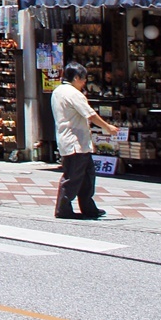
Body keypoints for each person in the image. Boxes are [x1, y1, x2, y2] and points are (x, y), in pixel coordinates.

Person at [53, 62, 119, 220]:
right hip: (75, 141)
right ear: (76, 78)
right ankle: (63, 208)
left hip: (74, 141)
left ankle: (89, 208)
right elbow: (90, 114)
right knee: (73, 177)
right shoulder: (73, 93)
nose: (84, 83)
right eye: (83, 80)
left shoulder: (58, 91)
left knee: (87, 176)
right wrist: (107, 127)